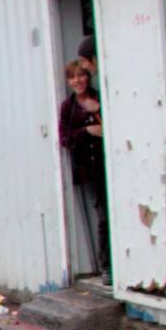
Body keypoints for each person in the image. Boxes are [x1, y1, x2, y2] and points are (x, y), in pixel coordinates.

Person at [58, 58, 110, 283]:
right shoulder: (68, 107)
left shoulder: (101, 96)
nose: (78, 80)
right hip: (88, 169)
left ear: (88, 77)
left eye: (81, 75)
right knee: (103, 215)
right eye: (73, 77)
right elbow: (64, 138)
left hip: (109, 163)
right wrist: (88, 131)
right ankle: (107, 267)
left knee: (111, 214)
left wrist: (99, 112)